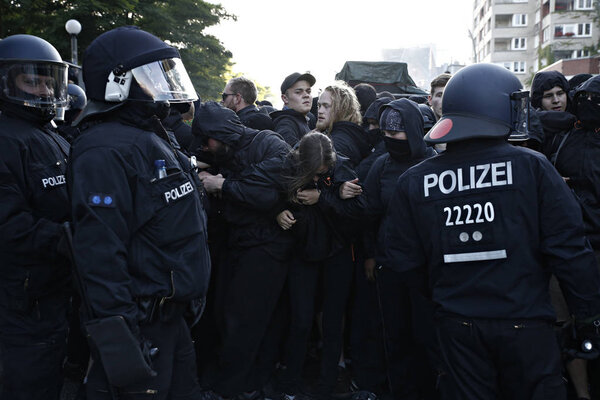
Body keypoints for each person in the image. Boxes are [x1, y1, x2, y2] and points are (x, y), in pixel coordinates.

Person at [384, 63, 600, 400]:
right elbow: (570, 249)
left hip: (457, 327)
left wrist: (446, 291)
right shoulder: (532, 167)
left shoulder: (415, 180)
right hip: (526, 325)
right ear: (500, 107)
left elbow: (402, 258)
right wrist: (587, 316)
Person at [68, 26, 210, 399]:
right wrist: (122, 340)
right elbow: (99, 253)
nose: (161, 84)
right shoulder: (104, 149)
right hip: (140, 324)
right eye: (150, 74)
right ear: (118, 82)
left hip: (169, 319)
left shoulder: (149, 134)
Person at [192, 102, 290, 400]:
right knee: (226, 315)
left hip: (266, 248)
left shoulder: (269, 143)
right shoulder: (224, 153)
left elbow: (266, 192)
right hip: (237, 245)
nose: (205, 147)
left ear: (220, 135)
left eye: (207, 140)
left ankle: (234, 387)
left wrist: (222, 184)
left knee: (246, 322)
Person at [0, 33, 71, 400]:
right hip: (21, 298)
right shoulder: (6, 139)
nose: (44, 91)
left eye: (48, 81)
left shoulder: (50, 133)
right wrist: (69, 238)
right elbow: (8, 225)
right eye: (31, 80)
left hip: (55, 289)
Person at [354, 99, 437, 398]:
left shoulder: (435, 163)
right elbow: (369, 213)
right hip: (390, 266)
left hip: (428, 269)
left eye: (397, 134)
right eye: (385, 135)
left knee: (428, 337)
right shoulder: (381, 165)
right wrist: (370, 254)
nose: (390, 140)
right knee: (395, 336)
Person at [275, 132, 365, 400]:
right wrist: (277, 212)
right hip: (304, 253)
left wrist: (325, 196)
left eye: (322, 173)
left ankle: (326, 384)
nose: (316, 178)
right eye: (312, 173)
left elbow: (359, 213)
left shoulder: (344, 169)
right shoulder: (288, 166)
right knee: (301, 320)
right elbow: (273, 195)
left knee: (333, 321)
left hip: (336, 253)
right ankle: (290, 383)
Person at [317, 81, 371, 168]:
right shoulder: (350, 134)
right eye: (319, 106)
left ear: (342, 108)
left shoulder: (336, 143)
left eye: (326, 106)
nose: (320, 111)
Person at [271, 72, 316, 146]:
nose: (306, 95)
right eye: (298, 92)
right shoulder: (285, 125)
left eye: (308, 91)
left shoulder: (302, 120)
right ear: (285, 98)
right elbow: (290, 155)